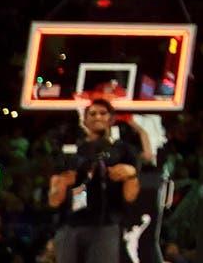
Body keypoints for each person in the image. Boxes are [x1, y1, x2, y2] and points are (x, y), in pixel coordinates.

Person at [45, 99, 140, 263]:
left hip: (106, 225)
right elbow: (54, 201)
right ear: (85, 119)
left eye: (103, 113)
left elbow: (131, 197)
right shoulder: (69, 151)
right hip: (69, 225)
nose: (98, 117)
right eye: (93, 113)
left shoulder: (124, 151)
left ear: (111, 118)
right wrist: (60, 184)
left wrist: (130, 175)